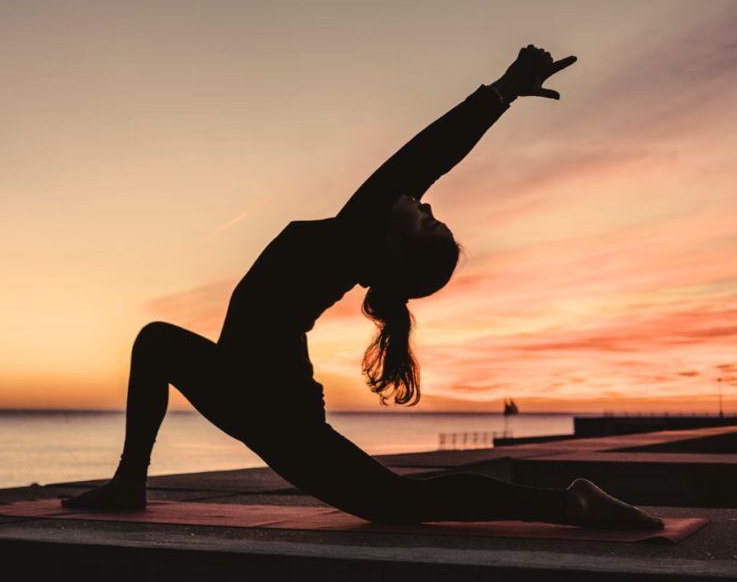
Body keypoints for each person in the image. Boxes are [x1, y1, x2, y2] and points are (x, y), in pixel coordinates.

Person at [64, 45, 664, 529]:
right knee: (155, 342)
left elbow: (426, 155)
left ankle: (567, 503)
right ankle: (130, 482)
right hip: (243, 386)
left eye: (427, 219)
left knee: (398, 507)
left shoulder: (356, 237)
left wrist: (503, 91)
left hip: (272, 408)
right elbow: (422, 167)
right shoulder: (353, 244)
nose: (423, 201)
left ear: (395, 248)